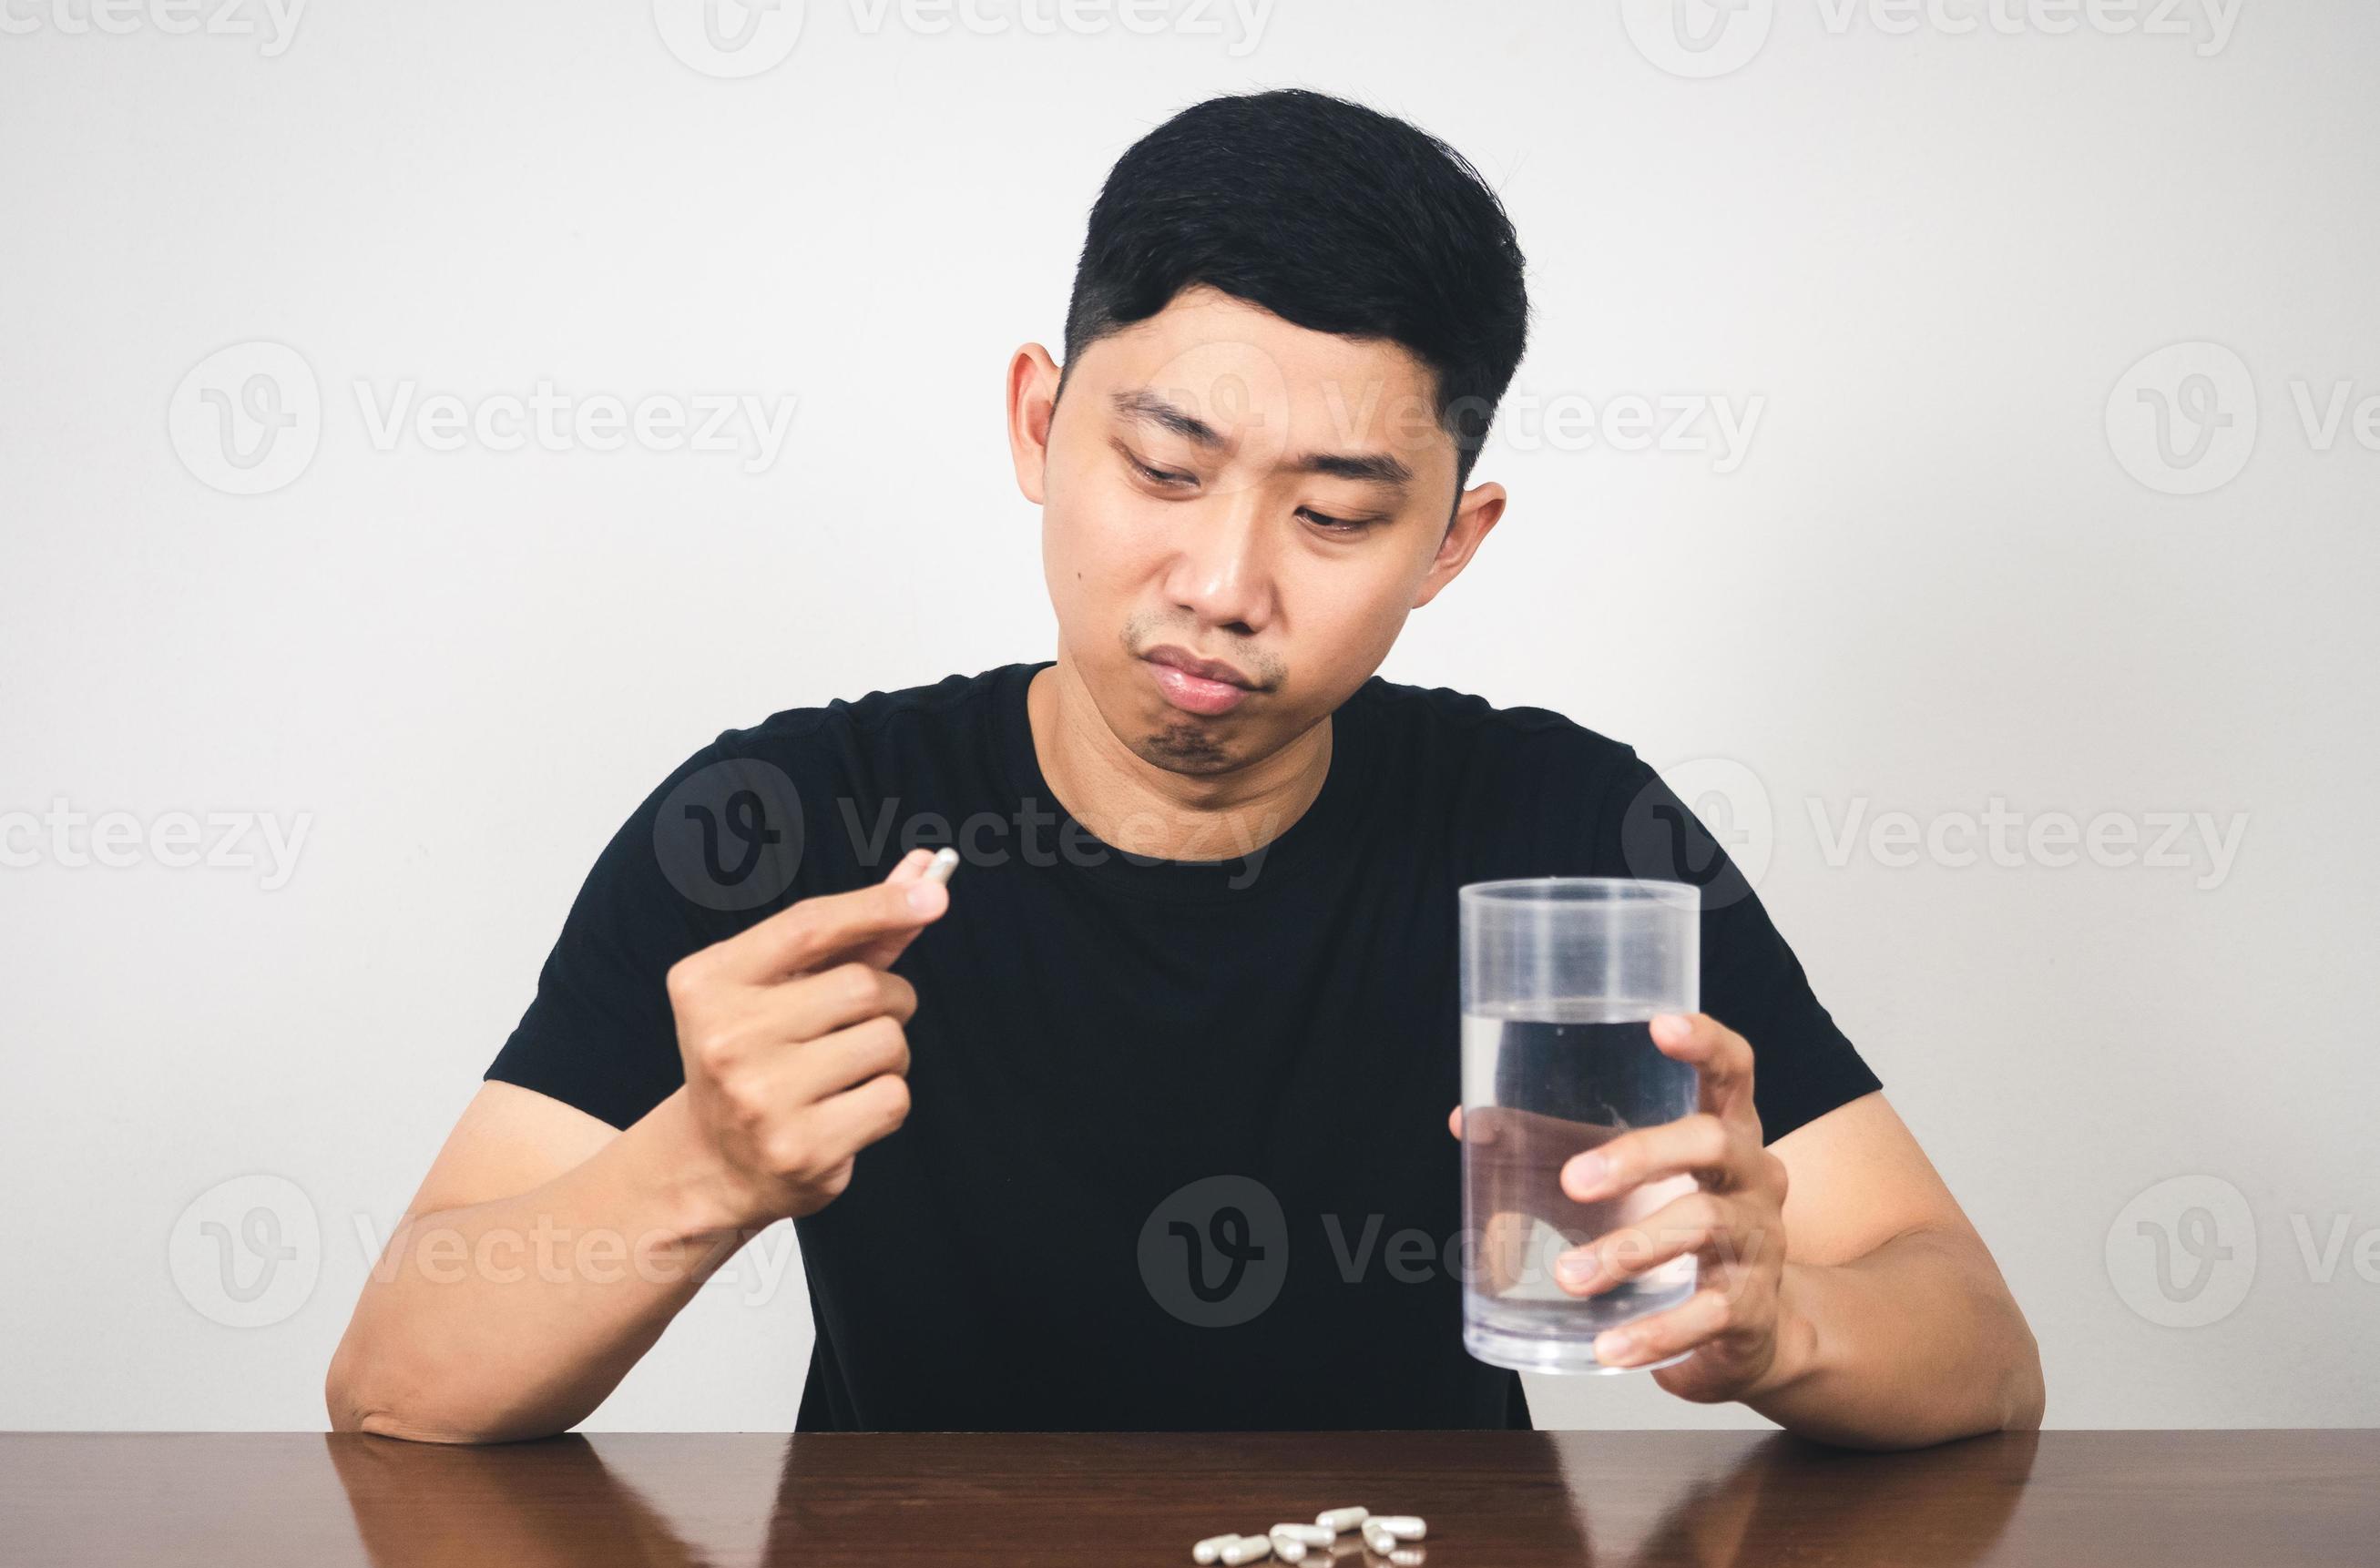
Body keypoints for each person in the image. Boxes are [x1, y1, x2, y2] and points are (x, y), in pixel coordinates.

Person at [326, 88, 2042, 1448]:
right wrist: (697, 1163)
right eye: (1163, 467)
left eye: (1335, 514)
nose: (1224, 586)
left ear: (1449, 542)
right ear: (1034, 425)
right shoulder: (787, 823)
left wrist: (1786, 1319)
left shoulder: (1559, 831)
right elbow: (399, 1379)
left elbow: (1973, 1346)